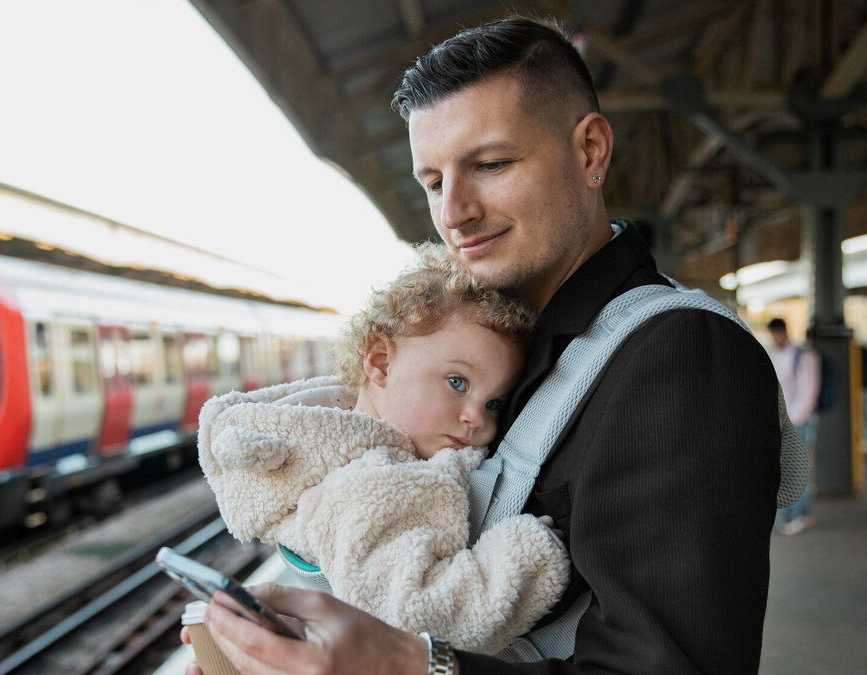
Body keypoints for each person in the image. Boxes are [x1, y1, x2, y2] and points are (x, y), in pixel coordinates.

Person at [190, 15, 803, 675]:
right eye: (433, 181)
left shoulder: (680, 355)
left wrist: (407, 665)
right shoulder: (505, 353)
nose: (454, 211)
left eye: (489, 164)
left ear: (592, 152)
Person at [197, 243, 570, 654]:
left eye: (494, 403)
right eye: (457, 382)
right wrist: (528, 556)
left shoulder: (335, 441)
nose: (477, 418)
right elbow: (419, 616)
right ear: (380, 362)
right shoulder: (377, 482)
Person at [766, 317, 820, 535]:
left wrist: (796, 418)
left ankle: (799, 515)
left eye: (776, 333)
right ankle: (790, 514)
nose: (774, 338)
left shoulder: (804, 355)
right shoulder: (775, 354)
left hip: (798, 421)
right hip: (783, 420)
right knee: (785, 467)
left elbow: (810, 390)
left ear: (784, 331)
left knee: (798, 468)